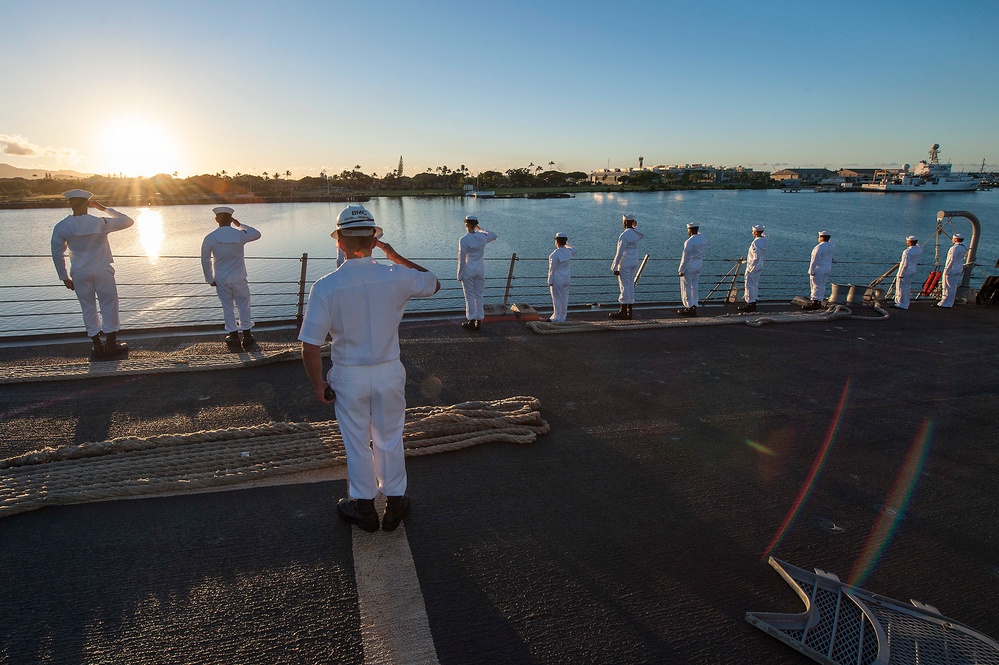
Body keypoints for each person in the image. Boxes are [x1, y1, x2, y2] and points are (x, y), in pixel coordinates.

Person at [299, 205, 440, 533]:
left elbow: (309, 345)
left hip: (349, 374)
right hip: (389, 370)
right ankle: (395, 504)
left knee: (356, 441)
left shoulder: (325, 286)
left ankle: (364, 508)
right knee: (390, 437)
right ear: (375, 241)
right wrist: (395, 256)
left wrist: (319, 384)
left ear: (340, 243)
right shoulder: (396, 276)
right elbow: (432, 283)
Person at [50, 189, 134, 360]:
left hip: (80, 273)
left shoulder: (62, 226)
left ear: (70, 204)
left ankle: (97, 345)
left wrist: (64, 277)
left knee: (87, 307)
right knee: (109, 304)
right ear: (88, 204)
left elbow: (57, 253)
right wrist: (103, 208)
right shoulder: (101, 222)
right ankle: (111, 344)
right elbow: (128, 221)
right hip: (103, 270)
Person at [201, 206, 262, 351]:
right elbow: (257, 234)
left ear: (216, 219)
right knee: (244, 305)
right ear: (230, 219)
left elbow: (205, 260)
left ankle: (233, 336)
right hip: (239, 276)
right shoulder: (240, 235)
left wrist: (210, 279)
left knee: (227, 306)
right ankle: (247, 336)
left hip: (221, 278)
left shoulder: (210, 238)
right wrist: (239, 225)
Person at [457, 215, 497, 330]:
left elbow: (461, 259)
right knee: (479, 295)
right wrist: (481, 229)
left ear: (466, 225)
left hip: (468, 271)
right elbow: (494, 235)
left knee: (469, 296)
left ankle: (471, 319)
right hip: (480, 270)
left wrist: (459, 275)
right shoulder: (482, 237)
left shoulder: (464, 240)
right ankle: (479, 320)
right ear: (475, 225)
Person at [610, 213, 644, 319]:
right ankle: (630, 310)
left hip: (625, 262)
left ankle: (623, 310)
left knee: (624, 286)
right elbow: (642, 233)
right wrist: (635, 226)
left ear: (625, 222)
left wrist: (614, 266)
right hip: (634, 261)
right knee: (630, 285)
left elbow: (619, 252)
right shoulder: (636, 233)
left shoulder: (624, 235)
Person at [677, 222, 707, 317]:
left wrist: (681, 269)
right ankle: (694, 305)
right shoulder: (702, 238)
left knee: (686, 287)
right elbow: (701, 234)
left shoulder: (689, 242)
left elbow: (685, 257)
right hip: (699, 265)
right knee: (694, 286)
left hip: (690, 266)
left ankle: (688, 307)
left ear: (690, 230)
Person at [547, 232, 576, 322]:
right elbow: (575, 249)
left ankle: (556, 317)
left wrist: (549, 281)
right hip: (566, 278)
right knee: (564, 298)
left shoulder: (554, 255)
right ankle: (562, 317)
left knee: (556, 299)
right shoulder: (569, 252)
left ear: (556, 241)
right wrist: (566, 243)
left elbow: (552, 270)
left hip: (557, 279)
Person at [803, 231, 835, 310]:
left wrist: (811, 270)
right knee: (822, 286)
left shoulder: (819, 247)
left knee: (815, 286)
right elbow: (832, 243)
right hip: (827, 268)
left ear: (821, 237)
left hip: (819, 269)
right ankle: (819, 301)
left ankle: (814, 302)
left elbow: (815, 260)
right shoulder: (831, 246)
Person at [739, 225, 768, 312]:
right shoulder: (765, 240)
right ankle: (754, 300)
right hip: (759, 266)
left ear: (755, 232)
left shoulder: (755, 243)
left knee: (749, 284)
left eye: (753, 231)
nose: (752, 233)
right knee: (755, 284)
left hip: (753, 267)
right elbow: (766, 235)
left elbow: (756, 256)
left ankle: (750, 303)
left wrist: (751, 268)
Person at [936, 233, 968, 308]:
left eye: (953, 238)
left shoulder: (954, 248)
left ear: (956, 239)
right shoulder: (964, 248)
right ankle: (950, 303)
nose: (952, 239)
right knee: (953, 287)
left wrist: (947, 270)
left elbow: (951, 260)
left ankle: (944, 303)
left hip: (951, 269)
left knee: (947, 287)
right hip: (959, 269)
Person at [892, 235, 923, 310]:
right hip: (912, 270)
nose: (906, 242)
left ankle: (901, 303)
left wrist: (901, 274)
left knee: (901, 287)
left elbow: (904, 264)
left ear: (909, 242)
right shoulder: (918, 250)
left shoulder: (907, 251)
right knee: (907, 287)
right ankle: (906, 302)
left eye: (907, 241)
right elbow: (919, 246)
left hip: (905, 271)